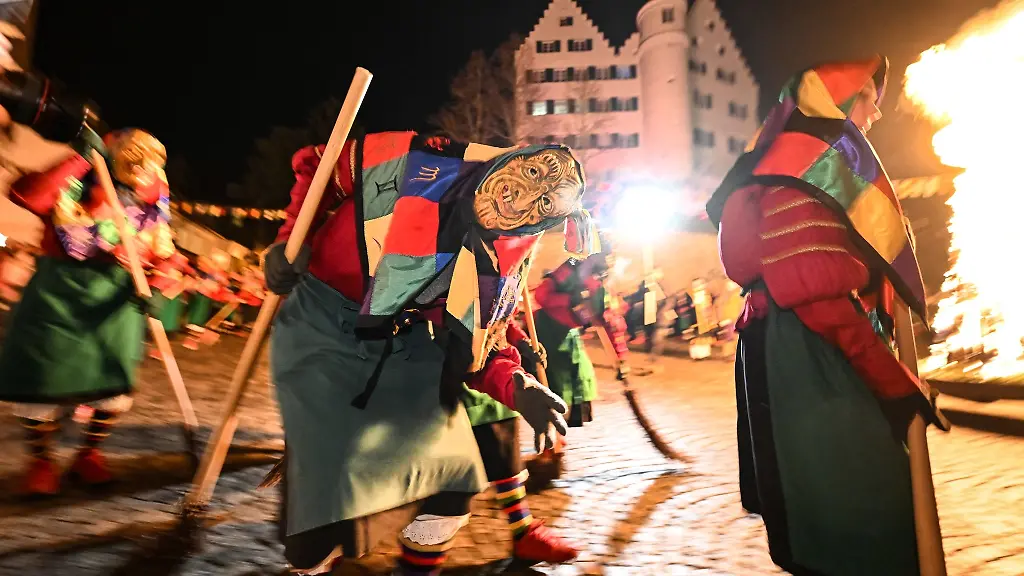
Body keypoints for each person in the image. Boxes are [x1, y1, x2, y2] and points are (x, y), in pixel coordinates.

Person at [262, 132, 592, 574]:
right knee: (319, 525)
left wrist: (519, 387)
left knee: (454, 484)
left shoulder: (496, 258)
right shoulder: (421, 163)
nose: (520, 200)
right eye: (530, 175)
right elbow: (320, 166)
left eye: (544, 206)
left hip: (402, 339)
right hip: (322, 321)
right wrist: (289, 240)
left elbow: (476, 344)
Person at [706, 56, 948, 575]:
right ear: (838, 104)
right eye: (869, 102)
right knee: (859, 512)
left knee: (842, 511)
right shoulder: (798, 174)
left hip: (803, 347)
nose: (876, 116)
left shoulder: (795, 168)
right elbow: (817, 296)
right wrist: (895, 383)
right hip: (810, 358)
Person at [0, 128, 175, 496]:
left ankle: (89, 454)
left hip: (115, 294)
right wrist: (78, 158)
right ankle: (42, 461)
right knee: (39, 380)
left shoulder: (153, 195)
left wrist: (158, 287)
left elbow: (165, 250)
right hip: (56, 291)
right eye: (130, 160)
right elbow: (24, 194)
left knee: (112, 379)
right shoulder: (76, 177)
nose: (139, 170)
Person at [460, 316, 580, 564]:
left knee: (504, 452)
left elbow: (499, 314)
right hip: (451, 368)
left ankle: (523, 531)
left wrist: (519, 339)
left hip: (493, 373)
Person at [525, 236, 629, 455]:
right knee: (553, 386)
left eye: (612, 257)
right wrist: (568, 301)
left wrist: (621, 360)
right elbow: (543, 295)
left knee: (580, 380)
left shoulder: (601, 285)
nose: (610, 261)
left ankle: (556, 438)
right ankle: (551, 441)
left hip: (569, 336)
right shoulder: (570, 267)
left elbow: (607, 321)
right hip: (546, 333)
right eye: (607, 255)